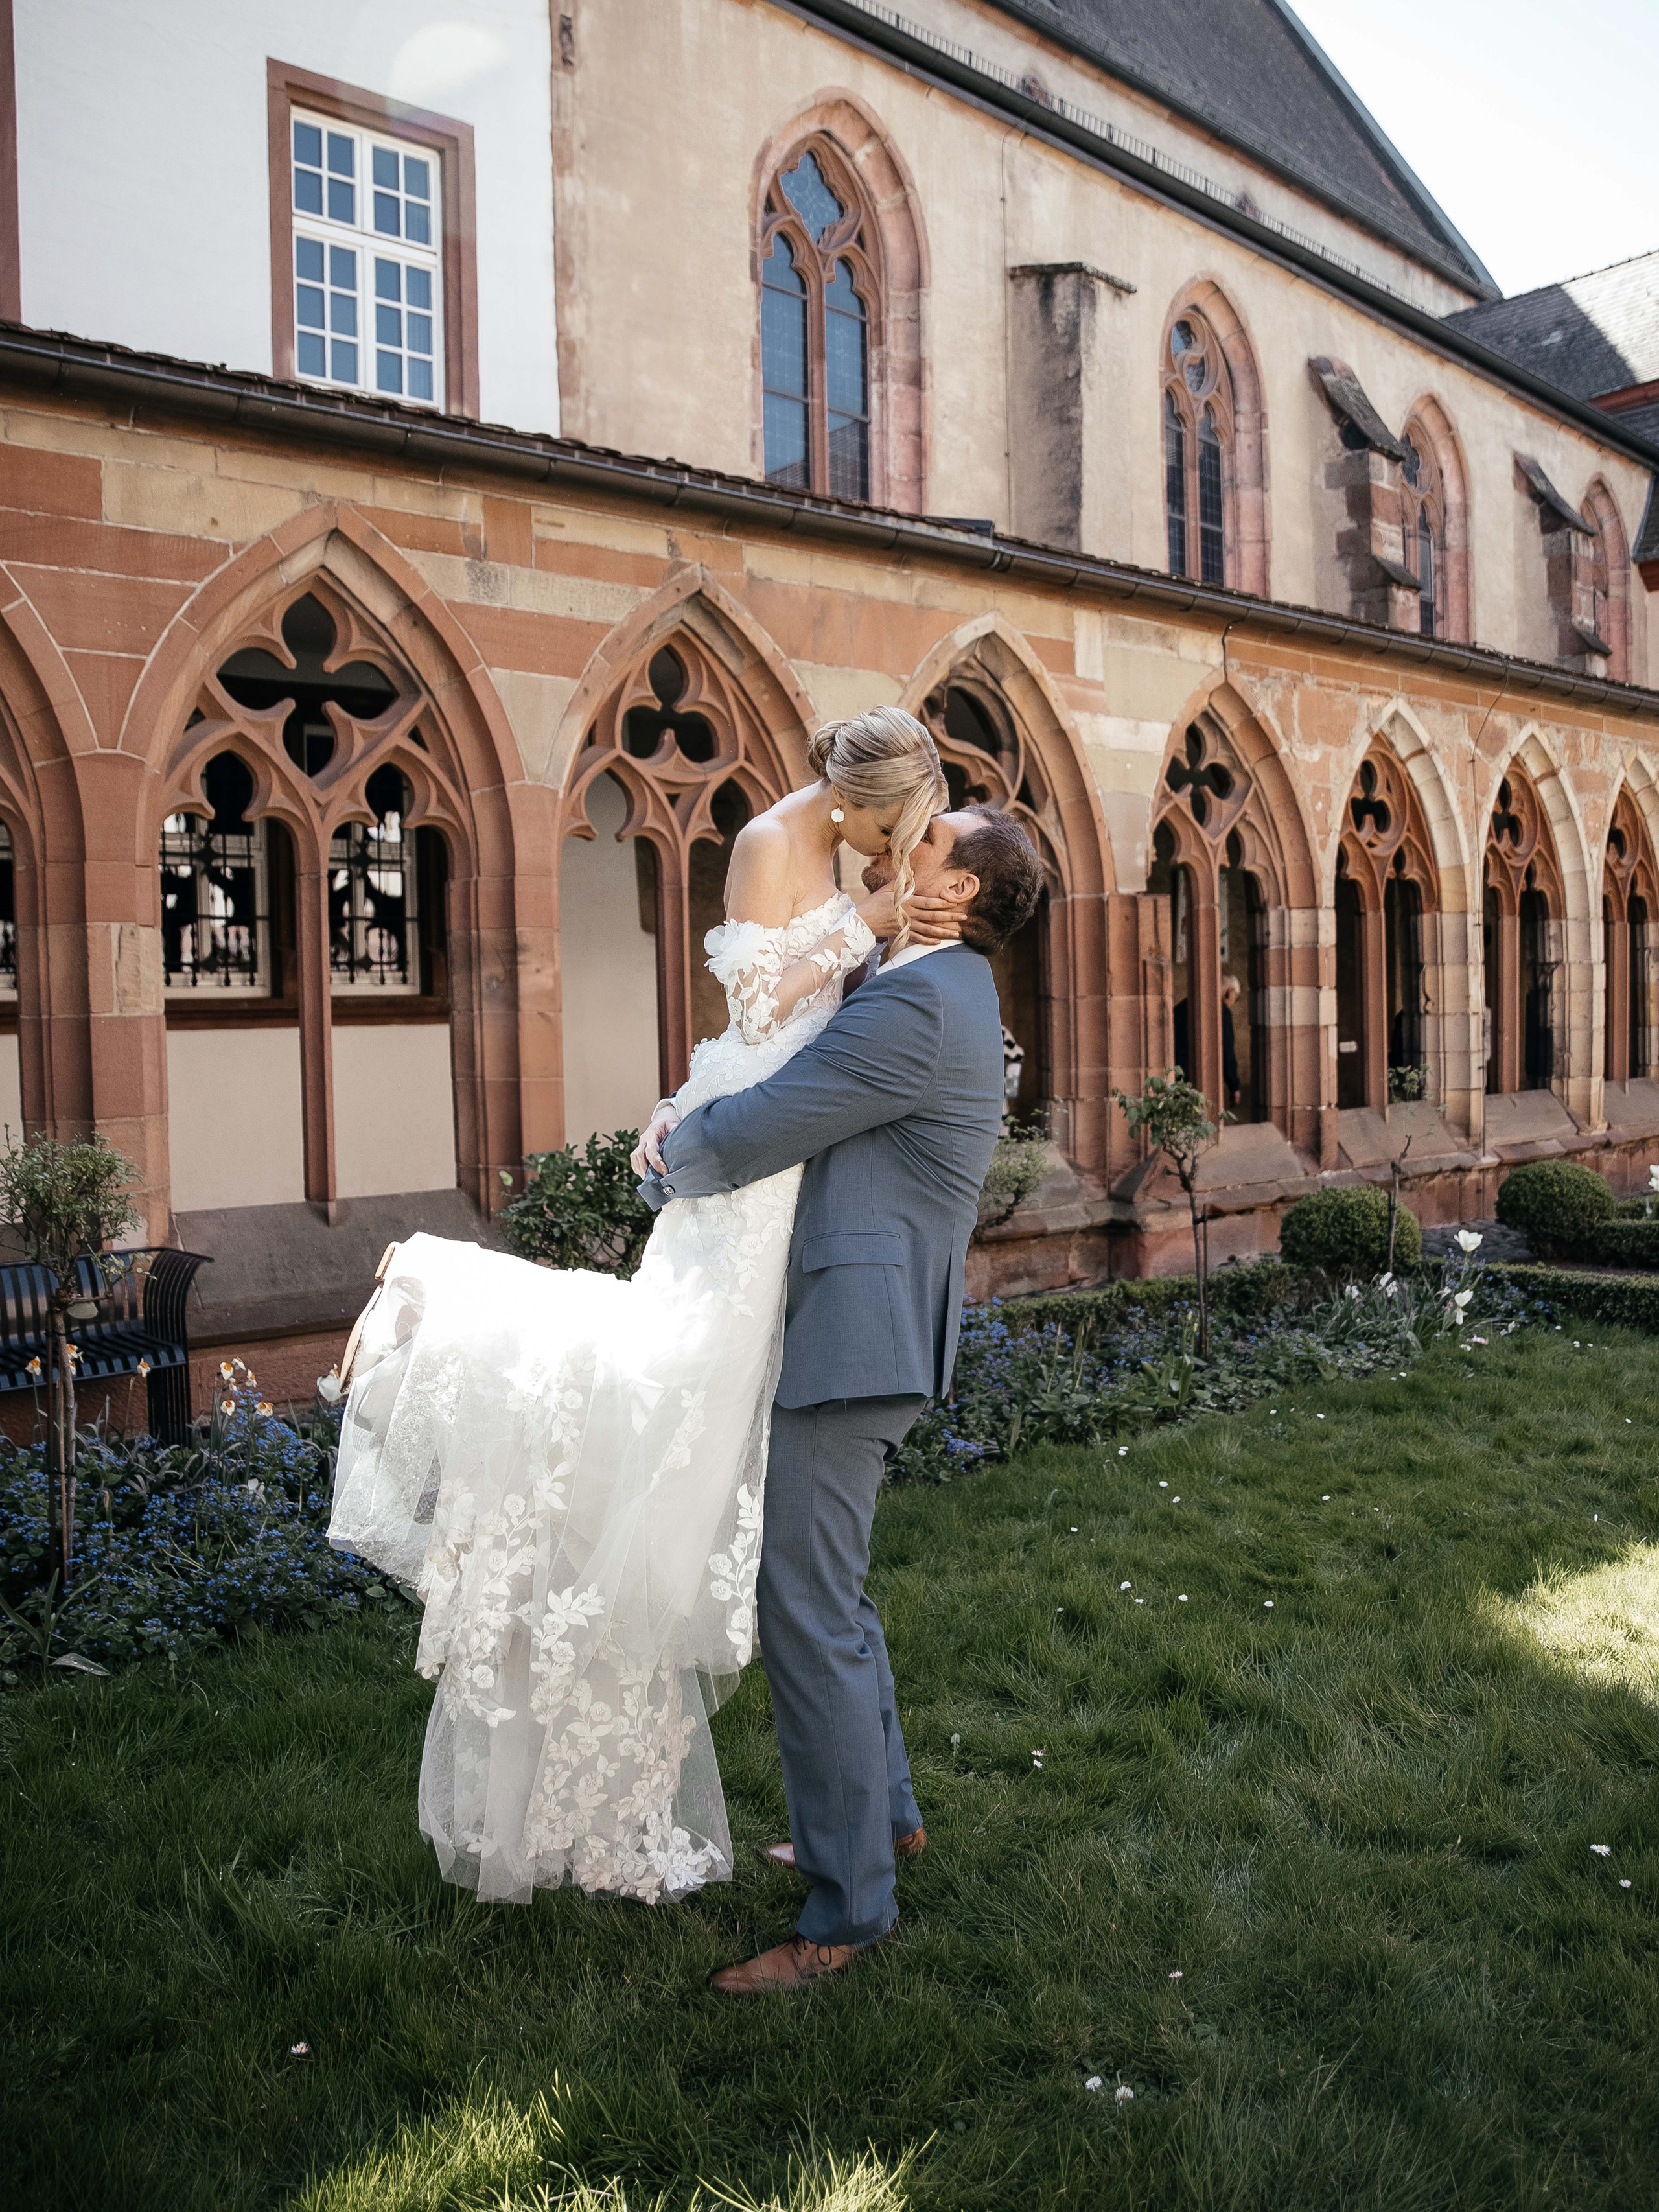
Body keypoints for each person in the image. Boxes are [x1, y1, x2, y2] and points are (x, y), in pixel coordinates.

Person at [328, 705, 957, 1906]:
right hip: (757, 1167)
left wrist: (871, 929)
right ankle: (442, 1302)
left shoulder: (839, 856)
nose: (901, 848)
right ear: (863, 800)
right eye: (902, 825)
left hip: (789, 1167)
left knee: (698, 1441)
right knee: (661, 1400)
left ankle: (834, 1798)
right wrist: (862, 928)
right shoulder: (775, 842)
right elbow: (761, 1012)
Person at [638, 804, 1043, 1991]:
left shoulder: (924, 1002)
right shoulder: (923, 980)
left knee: (805, 1611)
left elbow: (781, 1117)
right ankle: (882, 1823)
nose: (903, 841)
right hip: (863, 1327)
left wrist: (669, 1150)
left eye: (926, 843)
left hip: (854, 1340)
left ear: (958, 892)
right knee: (833, 1595)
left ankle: (846, 1912)